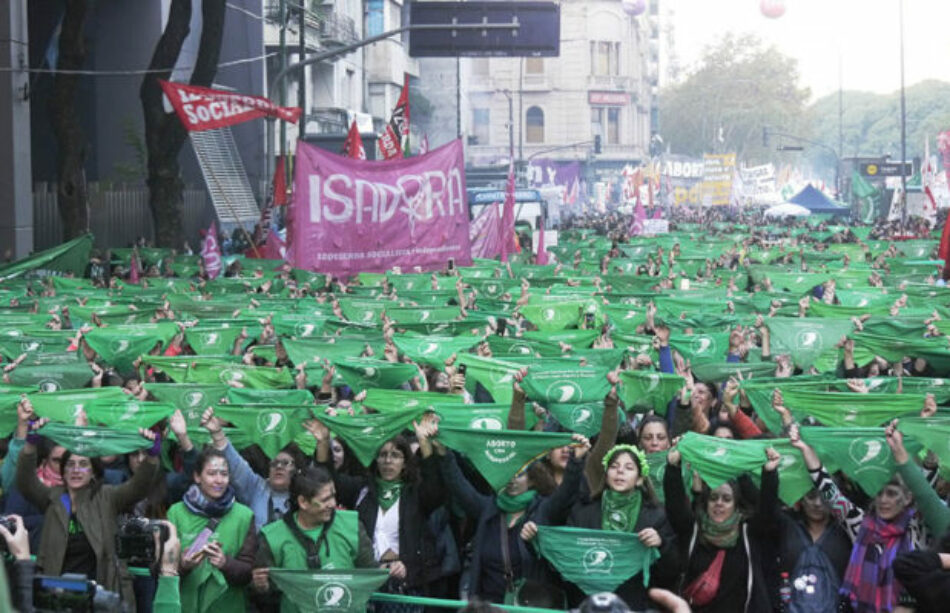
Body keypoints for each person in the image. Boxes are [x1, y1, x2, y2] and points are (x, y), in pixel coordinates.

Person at [309, 414, 448, 610]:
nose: (388, 461)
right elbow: (328, 479)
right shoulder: (362, 489)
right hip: (367, 583)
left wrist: (424, 442)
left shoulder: (415, 494)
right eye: (382, 455)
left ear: (405, 462)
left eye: (395, 455)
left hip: (405, 586)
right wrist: (323, 442)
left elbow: (435, 487)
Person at [15, 420, 160, 607]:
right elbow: (25, 482)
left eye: (83, 464)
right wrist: (30, 445)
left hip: (100, 594)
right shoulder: (55, 498)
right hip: (58, 593)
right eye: (70, 465)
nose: (76, 470)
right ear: (63, 472)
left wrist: (151, 458)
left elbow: (140, 486)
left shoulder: (107, 496)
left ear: (93, 472)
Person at [252, 464, 387, 613]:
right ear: (303, 502)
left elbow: (370, 573)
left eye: (333, 496)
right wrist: (261, 586)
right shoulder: (273, 536)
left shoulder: (351, 524)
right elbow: (265, 591)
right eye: (325, 499)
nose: (333, 504)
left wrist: (388, 569)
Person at [664, 442, 780, 612]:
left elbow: (768, 510)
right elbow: (675, 504)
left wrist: (769, 473)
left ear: (736, 505)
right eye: (714, 498)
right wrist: (673, 467)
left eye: (726, 499)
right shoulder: (694, 530)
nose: (719, 503)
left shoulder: (748, 533)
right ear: (706, 502)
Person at [167, 447, 256, 613]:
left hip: (228, 606)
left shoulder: (244, 515)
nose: (219, 480)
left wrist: (225, 563)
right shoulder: (176, 513)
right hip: (185, 605)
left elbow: (249, 573)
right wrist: (183, 565)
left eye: (224, 474)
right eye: (212, 473)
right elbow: (158, 570)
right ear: (197, 477)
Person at [199, 406, 305, 531]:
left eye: (285, 463)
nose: (279, 467)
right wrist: (217, 433)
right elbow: (236, 464)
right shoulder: (256, 487)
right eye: (274, 462)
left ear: (297, 469)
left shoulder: (304, 494)